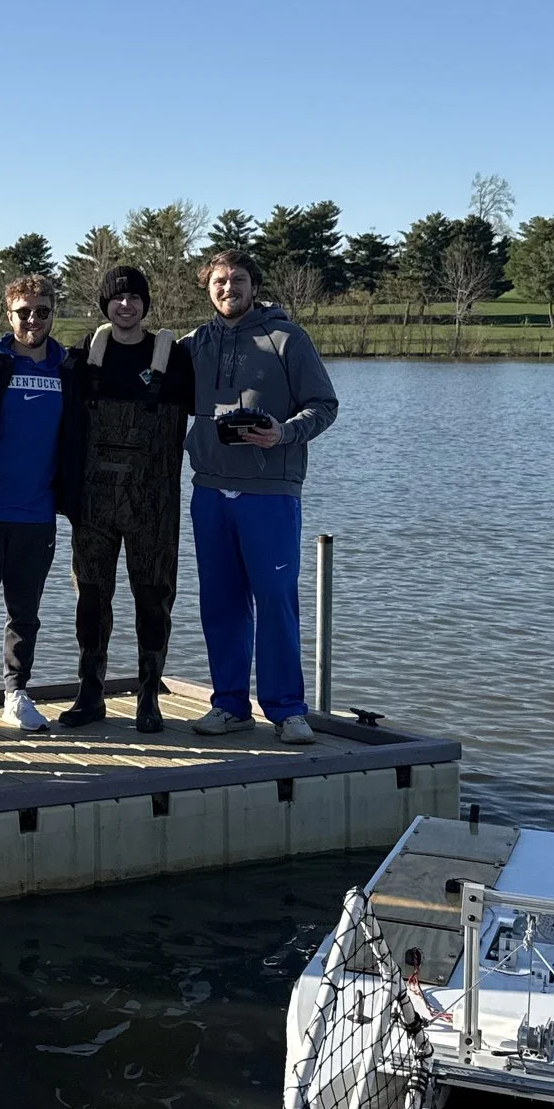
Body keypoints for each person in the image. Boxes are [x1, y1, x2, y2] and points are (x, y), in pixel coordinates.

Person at [183, 249, 339, 743]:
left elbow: (324, 405)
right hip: (209, 488)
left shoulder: (286, 338)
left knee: (274, 599)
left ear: (253, 285)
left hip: (270, 492)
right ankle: (229, 705)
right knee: (221, 602)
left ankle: (287, 708)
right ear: (208, 288)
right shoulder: (196, 343)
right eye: (220, 281)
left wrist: (284, 432)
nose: (229, 288)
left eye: (238, 279)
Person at [59, 264, 194, 734]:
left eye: (135, 297)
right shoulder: (82, 357)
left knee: (153, 600)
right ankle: (89, 693)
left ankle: (148, 696)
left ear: (145, 304)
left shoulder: (175, 359)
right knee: (91, 599)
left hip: (153, 505)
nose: (126, 305)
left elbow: (223, 400)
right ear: (105, 305)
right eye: (117, 298)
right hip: (93, 504)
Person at [0, 274, 81, 735]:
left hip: (37, 514)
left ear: (52, 314)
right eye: (24, 311)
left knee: (25, 614)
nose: (33, 319)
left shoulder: (68, 367)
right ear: (9, 314)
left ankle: (15, 693)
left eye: (42, 311)